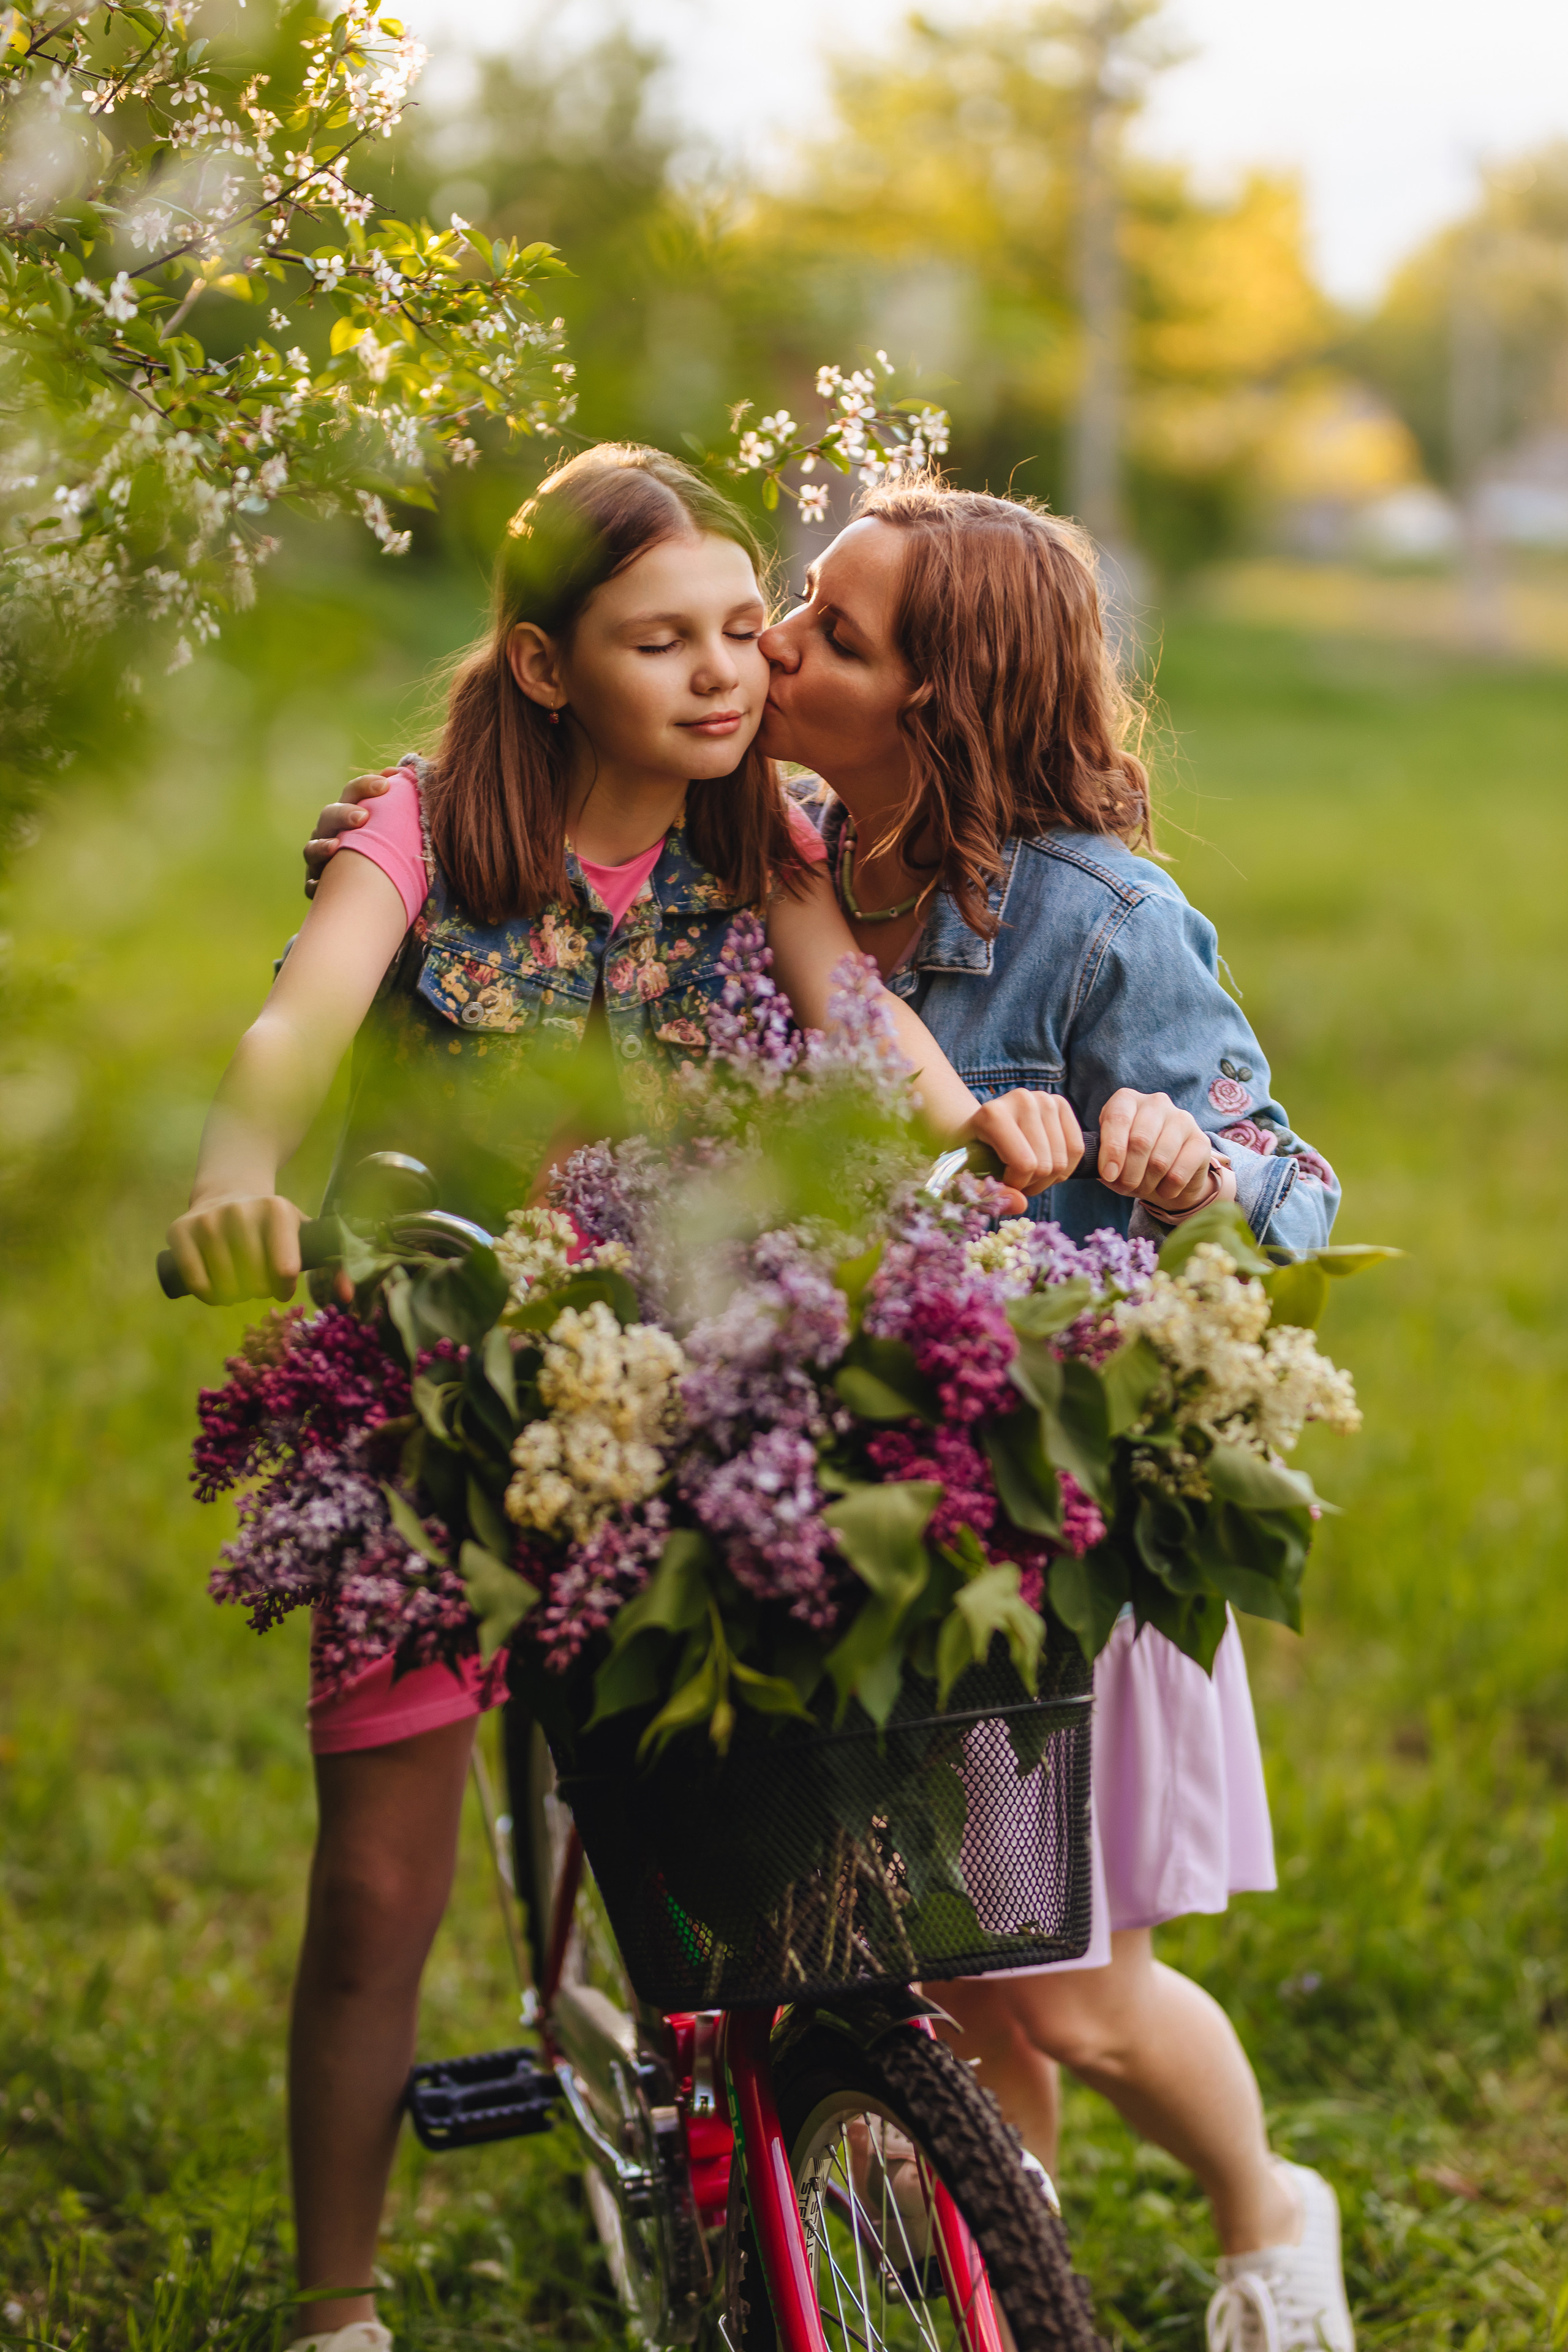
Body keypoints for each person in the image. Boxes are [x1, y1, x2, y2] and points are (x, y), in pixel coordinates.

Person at [178, 444, 1212, 2352]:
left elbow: (861, 1012)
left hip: (675, 1377)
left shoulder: (764, 837)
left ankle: (780, 2102)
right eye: (666, 643)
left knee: (770, 1779)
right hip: (450, 1384)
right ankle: (335, 2304)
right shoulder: (421, 827)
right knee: (380, 1889)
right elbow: (298, 1016)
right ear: (551, 665)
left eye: (749, 629)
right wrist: (243, 1174)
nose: (730, 674)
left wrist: (964, 1122)